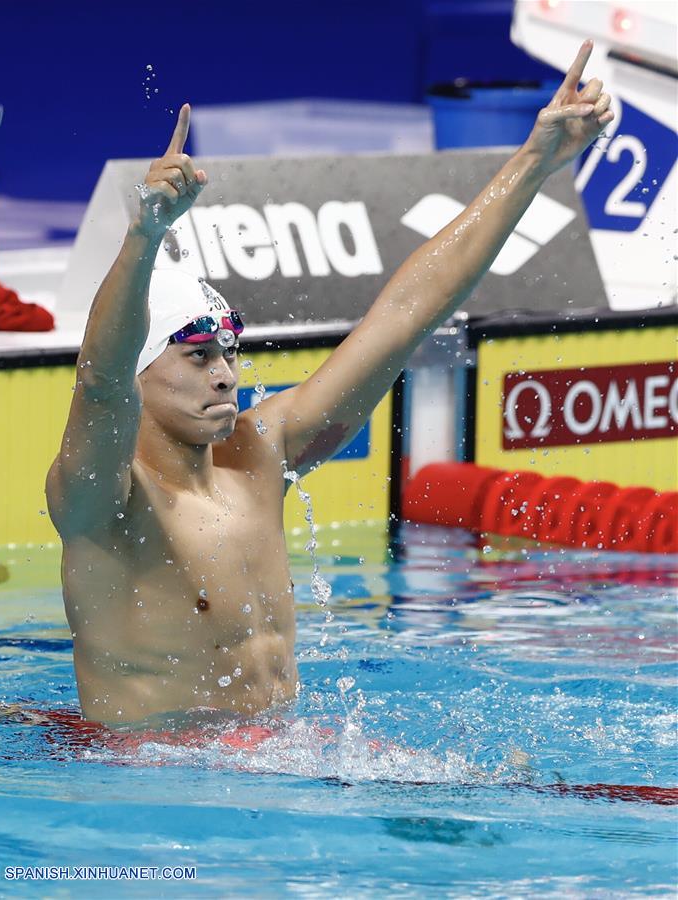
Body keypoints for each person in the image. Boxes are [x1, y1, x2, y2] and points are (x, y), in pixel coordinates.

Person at [46, 42, 613, 725]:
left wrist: (535, 162)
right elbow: (100, 383)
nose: (227, 374)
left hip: (269, 769)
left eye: (228, 353)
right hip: (155, 786)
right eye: (198, 358)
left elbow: (406, 315)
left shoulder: (258, 456)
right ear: (141, 368)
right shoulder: (102, 502)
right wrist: (144, 234)